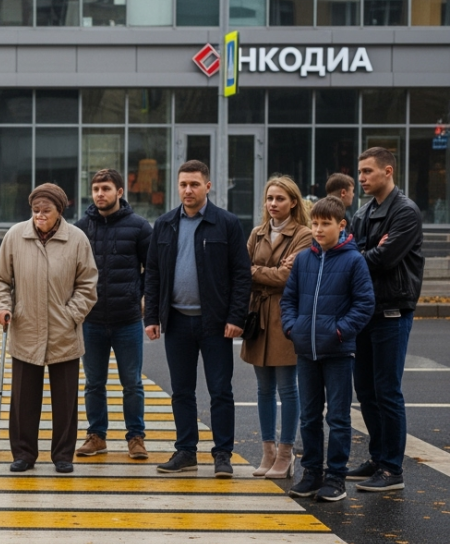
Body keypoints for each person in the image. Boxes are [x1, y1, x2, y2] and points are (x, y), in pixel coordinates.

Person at [144, 160, 252, 479]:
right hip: (176, 321)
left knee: (220, 390)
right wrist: (152, 316)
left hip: (216, 323)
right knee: (181, 390)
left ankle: (222, 454)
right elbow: (152, 273)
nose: (188, 190)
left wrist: (236, 317)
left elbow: (241, 274)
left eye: (194, 184)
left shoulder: (227, 223)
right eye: (183, 184)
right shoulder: (164, 224)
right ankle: (186, 451)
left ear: (208, 186)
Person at [0, 183, 98, 474]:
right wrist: (2, 306)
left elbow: (88, 284)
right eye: (35, 210)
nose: (39, 215)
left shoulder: (76, 239)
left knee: (65, 401)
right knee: (23, 400)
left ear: (59, 211)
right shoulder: (15, 236)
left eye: (46, 210)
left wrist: (70, 315)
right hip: (25, 328)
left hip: (64, 333)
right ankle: (23, 454)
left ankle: (63, 454)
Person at [280, 196, 375, 502]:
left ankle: (335, 477)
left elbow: (364, 304)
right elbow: (289, 299)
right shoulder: (305, 258)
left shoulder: (353, 260)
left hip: (337, 352)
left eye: (325, 224)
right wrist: (292, 328)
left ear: (341, 225)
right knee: (308, 416)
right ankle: (311, 473)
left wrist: (338, 331)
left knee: (338, 417)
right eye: (315, 223)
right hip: (306, 350)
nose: (318, 229)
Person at [345, 147, 424, 492]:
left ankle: (392, 470)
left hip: (392, 309)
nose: (361, 178)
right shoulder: (364, 211)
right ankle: (378, 458)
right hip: (365, 310)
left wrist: (366, 252)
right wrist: (367, 250)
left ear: (388, 171)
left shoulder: (405, 211)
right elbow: (354, 253)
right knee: (365, 390)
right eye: (360, 172)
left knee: (387, 391)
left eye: (367, 172)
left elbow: (384, 258)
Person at [73, 169, 152, 461]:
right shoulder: (80, 228)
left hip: (127, 319)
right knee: (94, 383)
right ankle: (97, 436)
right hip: (91, 320)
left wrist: (141, 295)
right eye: (95, 189)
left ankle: (136, 437)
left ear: (119, 192)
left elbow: (152, 269)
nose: (99, 194)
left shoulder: (139, 227)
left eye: (105, 188)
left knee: (132, 382)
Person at [241, 176, 315, 478]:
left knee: (288, 388)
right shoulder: (257, 233)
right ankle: (267, 451)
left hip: (285, 316)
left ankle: (286, 453)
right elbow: (240, 273)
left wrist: (255, 272)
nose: (273, 204)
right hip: (257, 317)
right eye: (270, 199)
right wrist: (266, 272)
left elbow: (289, 278)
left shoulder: (304, 235)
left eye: (280, 199)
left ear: (293, 202)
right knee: (263, 389)